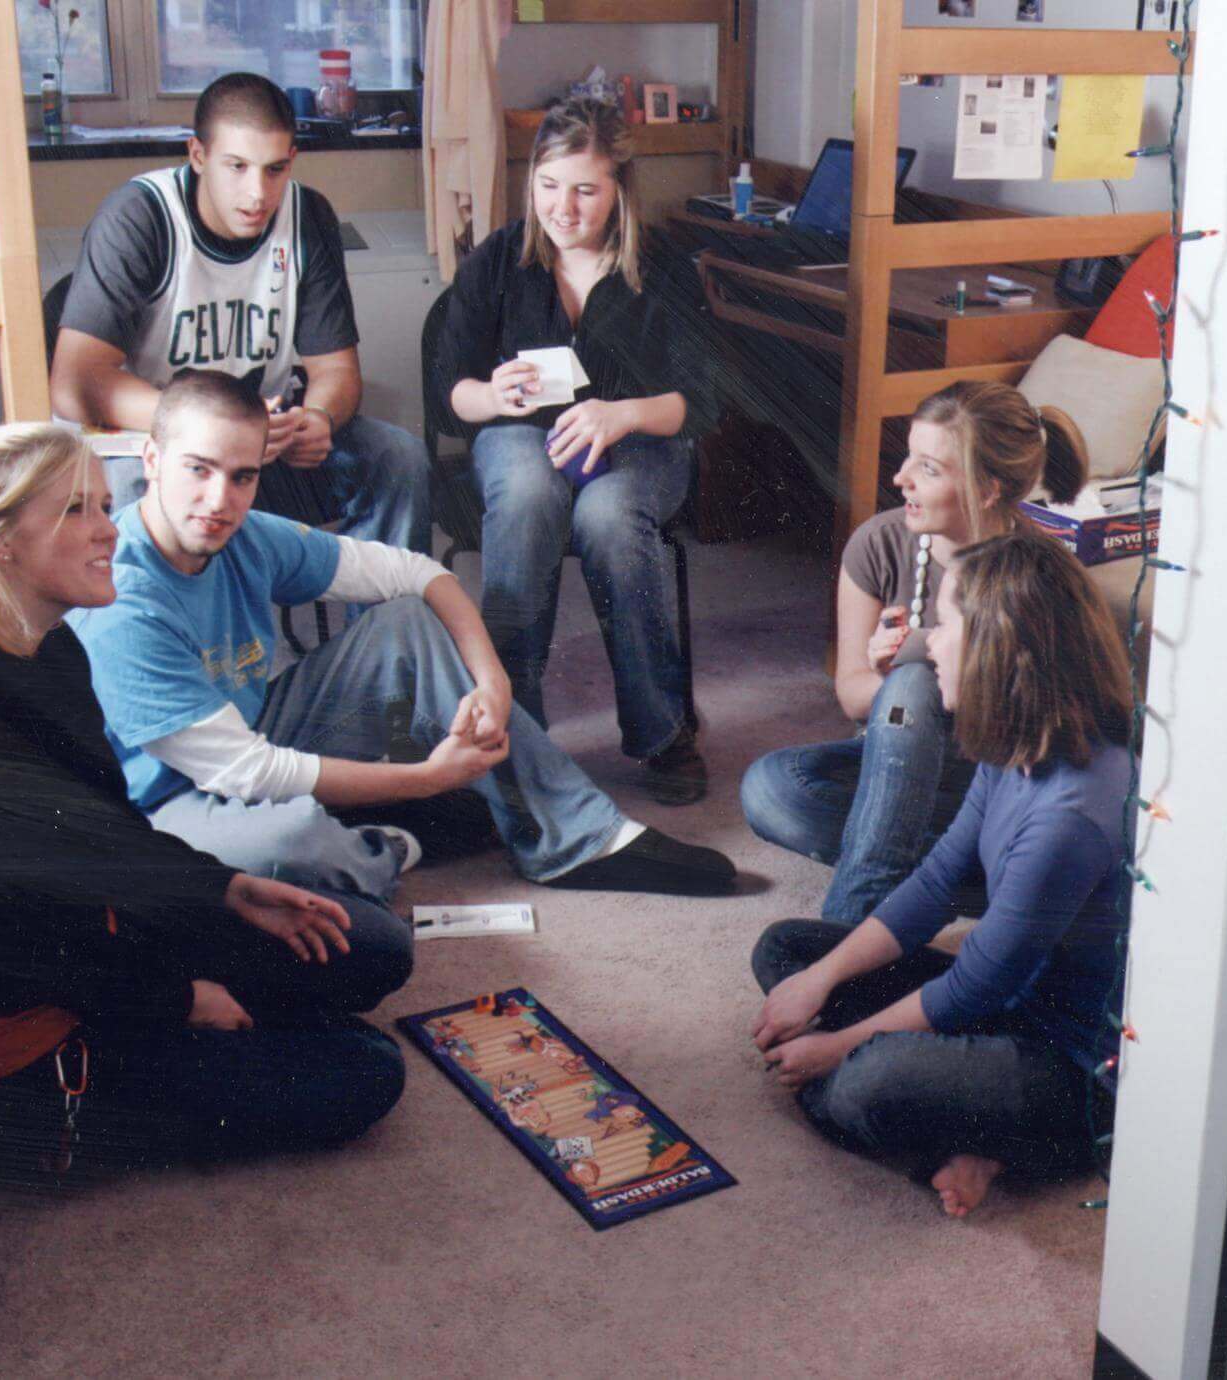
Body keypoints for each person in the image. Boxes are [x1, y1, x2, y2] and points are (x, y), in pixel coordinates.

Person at [0, 422, 410, 1182]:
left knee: (371, 949)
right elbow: (17, 948)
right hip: (27, 1040)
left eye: (106, 506)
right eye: (78, 510)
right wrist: (179, 998)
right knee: (368, 1071)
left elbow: (106, 835)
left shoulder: (46, 642)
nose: (111, 531)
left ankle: (248, 1022)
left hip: (99, 942)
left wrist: (226, 889)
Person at [67, 369, 736, 908]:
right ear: (150, 460)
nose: (220, 499)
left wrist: (491, 679)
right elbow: (243, 771)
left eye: (242, 476)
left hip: (254, 725)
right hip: (160, 802)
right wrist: (419, 781)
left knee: (404, 620)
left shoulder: (243, 532)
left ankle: (583, 838)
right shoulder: (121, 598)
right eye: (198, 469)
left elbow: (416, 573)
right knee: (297, 844)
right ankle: (393, 840)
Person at [750, 528, 1134, 1218]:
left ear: (998, 652)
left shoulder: (1070, 817)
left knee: (861, 1082)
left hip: (1069, 1063)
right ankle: (971, 1133)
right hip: (1001, 1010)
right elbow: (932, 887)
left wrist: (837, 1045)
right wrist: (821, 979)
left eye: (946, 624)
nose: (929, 640)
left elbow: (973, 984)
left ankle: (1020, 1148)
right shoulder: (1012, 744)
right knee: (788, 951)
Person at [429, 96, 717, 806]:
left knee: (609, 518)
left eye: (586, 190)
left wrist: (621, 414)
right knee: (528, 496)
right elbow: (449, 394)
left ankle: (662, 731)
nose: (564, 207)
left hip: (639, 440)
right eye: (549, 186)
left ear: (619, 190)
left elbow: (700, 403)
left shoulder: (663, 266)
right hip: (518, 434)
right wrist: (493, 396)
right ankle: (511, 728)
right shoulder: (499, 259)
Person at [739, 381, 1089, 925]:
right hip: (896, 760)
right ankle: (958, 875)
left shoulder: (1033, 571)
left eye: (928, 468)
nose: (900, 477)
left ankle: (851, 922)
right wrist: (886, 677)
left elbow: (1042, 731)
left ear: (987, 488)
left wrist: (915, 666)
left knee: (914, 683)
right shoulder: (877, 545)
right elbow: (853, 697)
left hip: (988, 780)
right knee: (770, 788)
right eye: (909, 457)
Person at [50, 71, 432, 554]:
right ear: (198, 155)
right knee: (129, 493)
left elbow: (336, 370)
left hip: (263, 442)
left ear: (293, 160)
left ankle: (384, 625)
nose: (257, 194)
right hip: (155, 438)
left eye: (274, 169)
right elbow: (74, 384)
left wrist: (317, 417)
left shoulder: (307, 216)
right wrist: (210, 428)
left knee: (397, 458)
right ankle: (166, 630)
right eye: (236, 167)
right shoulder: (138, 217)